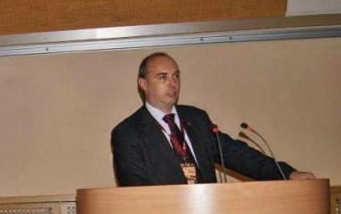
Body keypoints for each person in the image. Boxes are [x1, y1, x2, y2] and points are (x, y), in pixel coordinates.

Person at [111, 52, 315, 186]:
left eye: (176, 76)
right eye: (163, 77)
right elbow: (135, 192)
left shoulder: (197, 119)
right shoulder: (128, 133)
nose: (173, 84)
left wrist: (287, 173)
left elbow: (237, 155)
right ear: (143, 84)